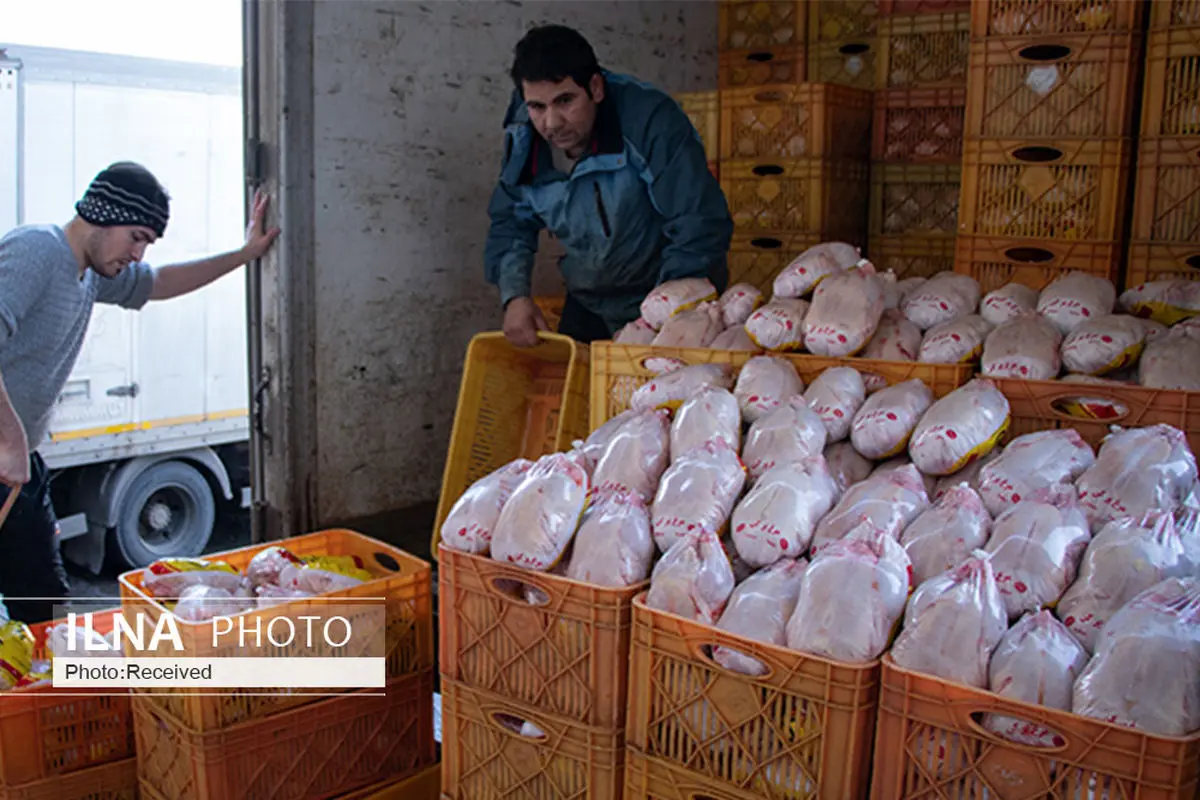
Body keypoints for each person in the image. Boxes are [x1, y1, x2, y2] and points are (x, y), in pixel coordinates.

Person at [0, 161, 280, 624]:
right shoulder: (37, 253)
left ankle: (42, 693)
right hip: (8, 452)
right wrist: (10, 440)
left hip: (20, 466)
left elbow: (161, 282)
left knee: (43, 600)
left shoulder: (88, 275)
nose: (138, 252)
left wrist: (244, 253)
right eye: (137, 237)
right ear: (103, 214)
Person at [485, 24, 733, 346]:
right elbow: (510, 219)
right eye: (537, 107)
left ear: (596, 88)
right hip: (590, 300)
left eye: (565, 101)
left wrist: (660, 317)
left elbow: (698, 221)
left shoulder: (650, 121)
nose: (551, 122)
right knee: (581, 392)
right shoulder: (523, 139)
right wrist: (514, 296)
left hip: (667, 293)